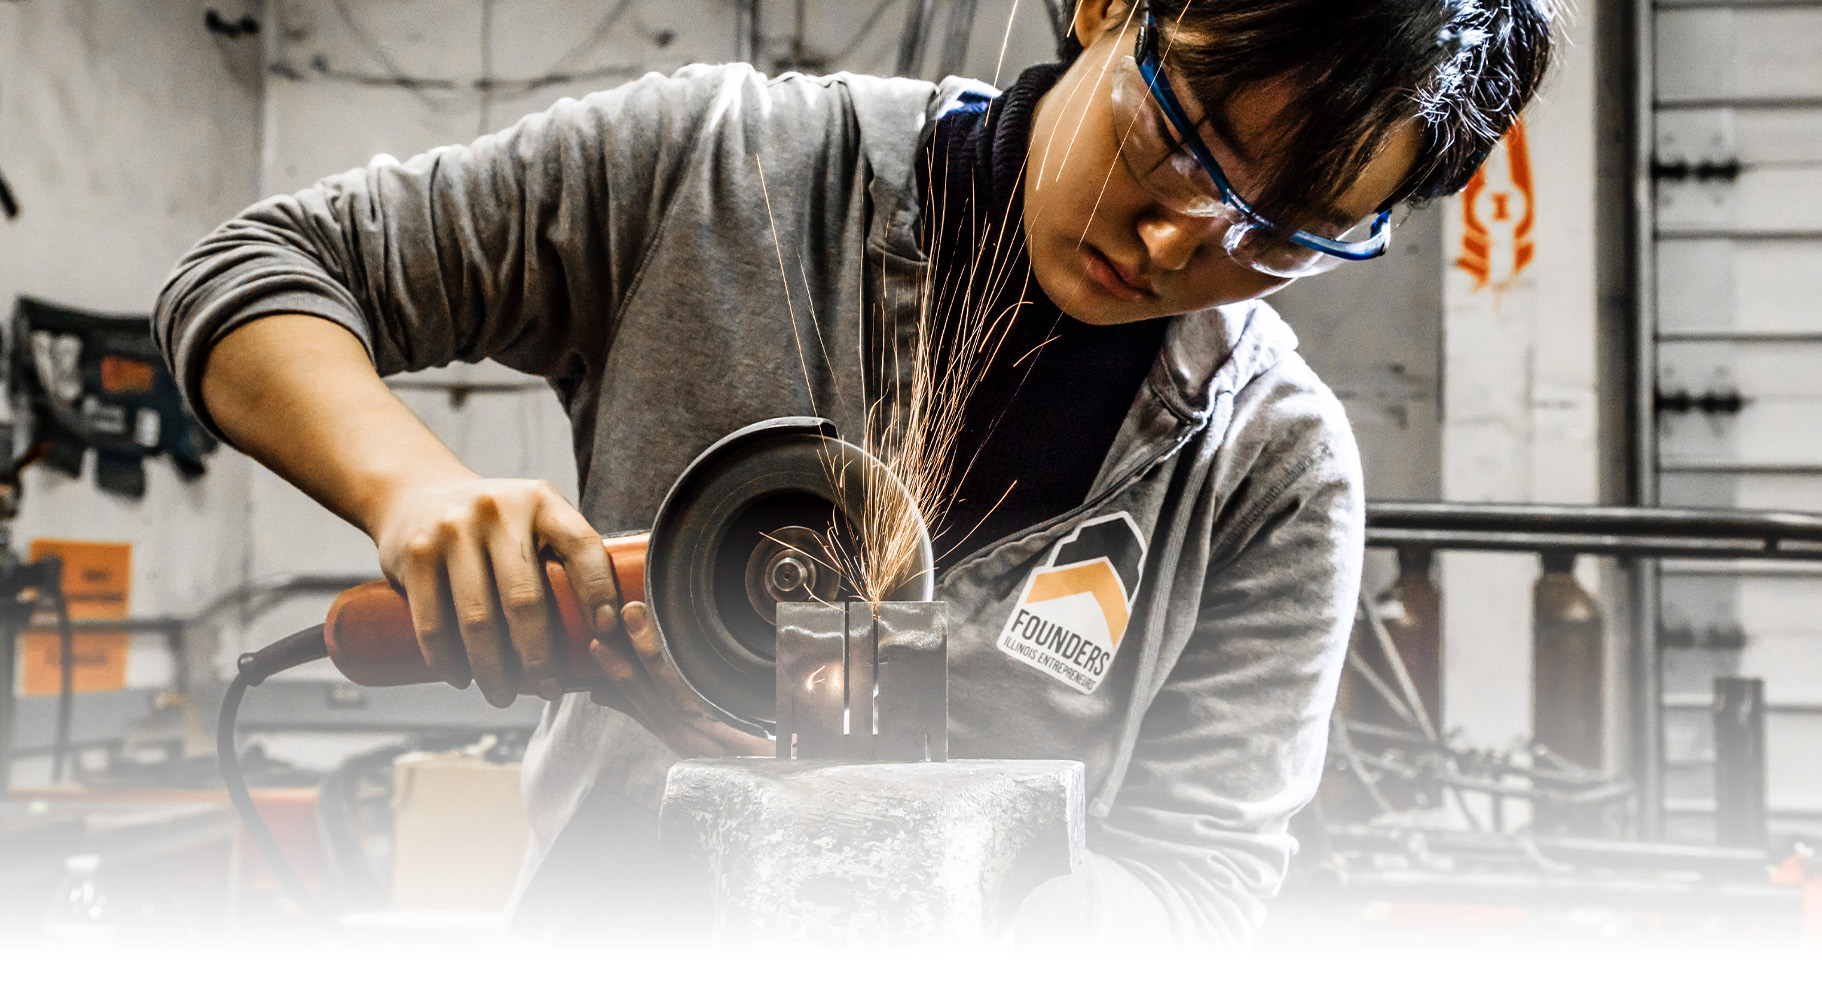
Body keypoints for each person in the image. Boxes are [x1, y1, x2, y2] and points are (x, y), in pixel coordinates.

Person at [155, 0, 1551, 944]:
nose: (1187, 238)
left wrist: (954, 896)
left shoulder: (1272, 473)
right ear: (1105, 6)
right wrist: (413, 489)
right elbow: (254, 273)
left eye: (1283, 226)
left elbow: (1205, 876)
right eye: (1182, 135)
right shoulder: (716, 174)